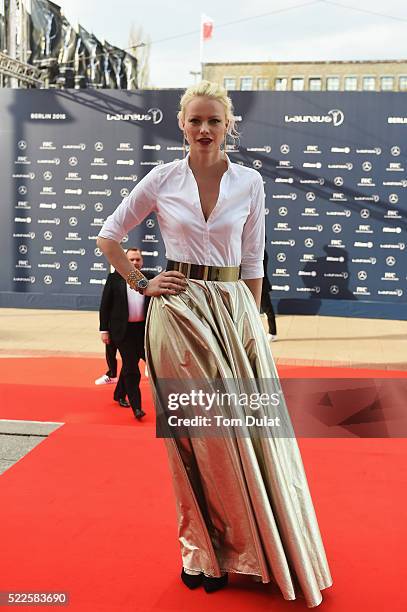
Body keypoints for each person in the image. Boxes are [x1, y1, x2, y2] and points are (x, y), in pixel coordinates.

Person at [97, 81, 332, 606]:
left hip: (232, 312)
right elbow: (109, 235)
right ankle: (202, 553)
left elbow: (253, 261)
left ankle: (256, 546)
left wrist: (252, 325)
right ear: (181, 123)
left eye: (214, 122)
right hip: (178, 316)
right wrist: (141, 284)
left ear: (229, 127)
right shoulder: (161, 179)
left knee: (246, 434)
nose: (204, 130)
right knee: (194, 438)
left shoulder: (250, 183)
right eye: (195, 121)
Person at [98, 247, 151, 419]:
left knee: (131, 363)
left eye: (138, 259)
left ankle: (119, 393)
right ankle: (137, 407)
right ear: (125, 261)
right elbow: (105, 306)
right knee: (132, 368)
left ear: (142, 262)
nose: (135, 262)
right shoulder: (114, 279)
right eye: (131, 260)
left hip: (142, 331)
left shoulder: (149, 279)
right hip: (123, 331)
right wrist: (104, 330)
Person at [260, 242, 277, 341]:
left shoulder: (261, 253)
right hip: (249, 285)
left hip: (262, 285)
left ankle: (272, 332)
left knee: (267, 309)